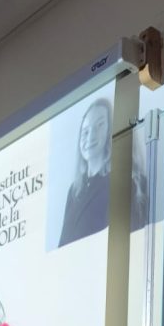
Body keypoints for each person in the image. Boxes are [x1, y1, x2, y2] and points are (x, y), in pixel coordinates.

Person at [58, 97, 112, 247]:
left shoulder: (119, 182)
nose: (90, 136)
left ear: (110, 131)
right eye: (86, 131)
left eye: (99, 125)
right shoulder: (74, 190)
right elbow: (62, 246)